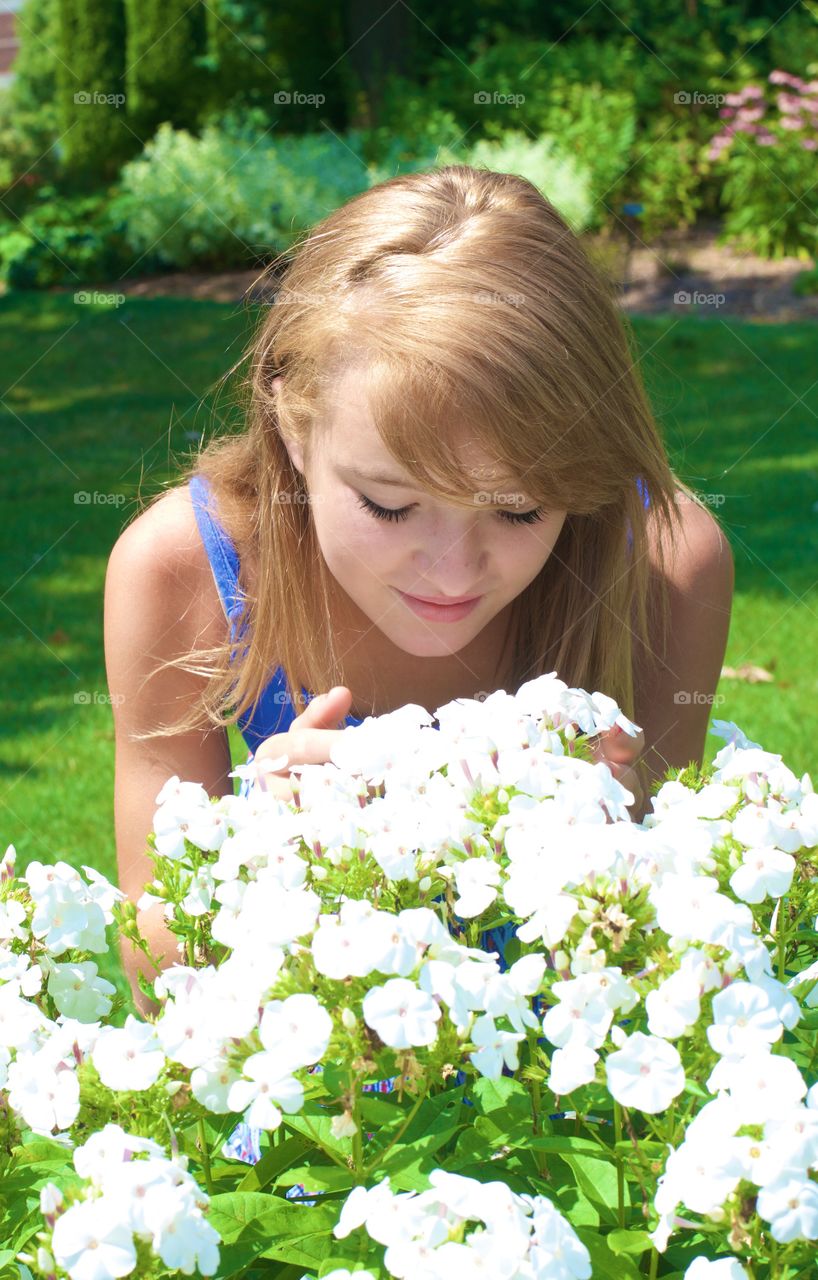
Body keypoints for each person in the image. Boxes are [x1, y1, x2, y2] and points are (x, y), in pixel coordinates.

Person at [104, 163, 734, 1019]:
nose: (451, 572)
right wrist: (264, 858)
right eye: (390, 505)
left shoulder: (663, 566)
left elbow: (677, 962)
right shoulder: (185, 573)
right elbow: (153, 968)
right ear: (293, 426)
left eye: (518, 510)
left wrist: (618, 844)